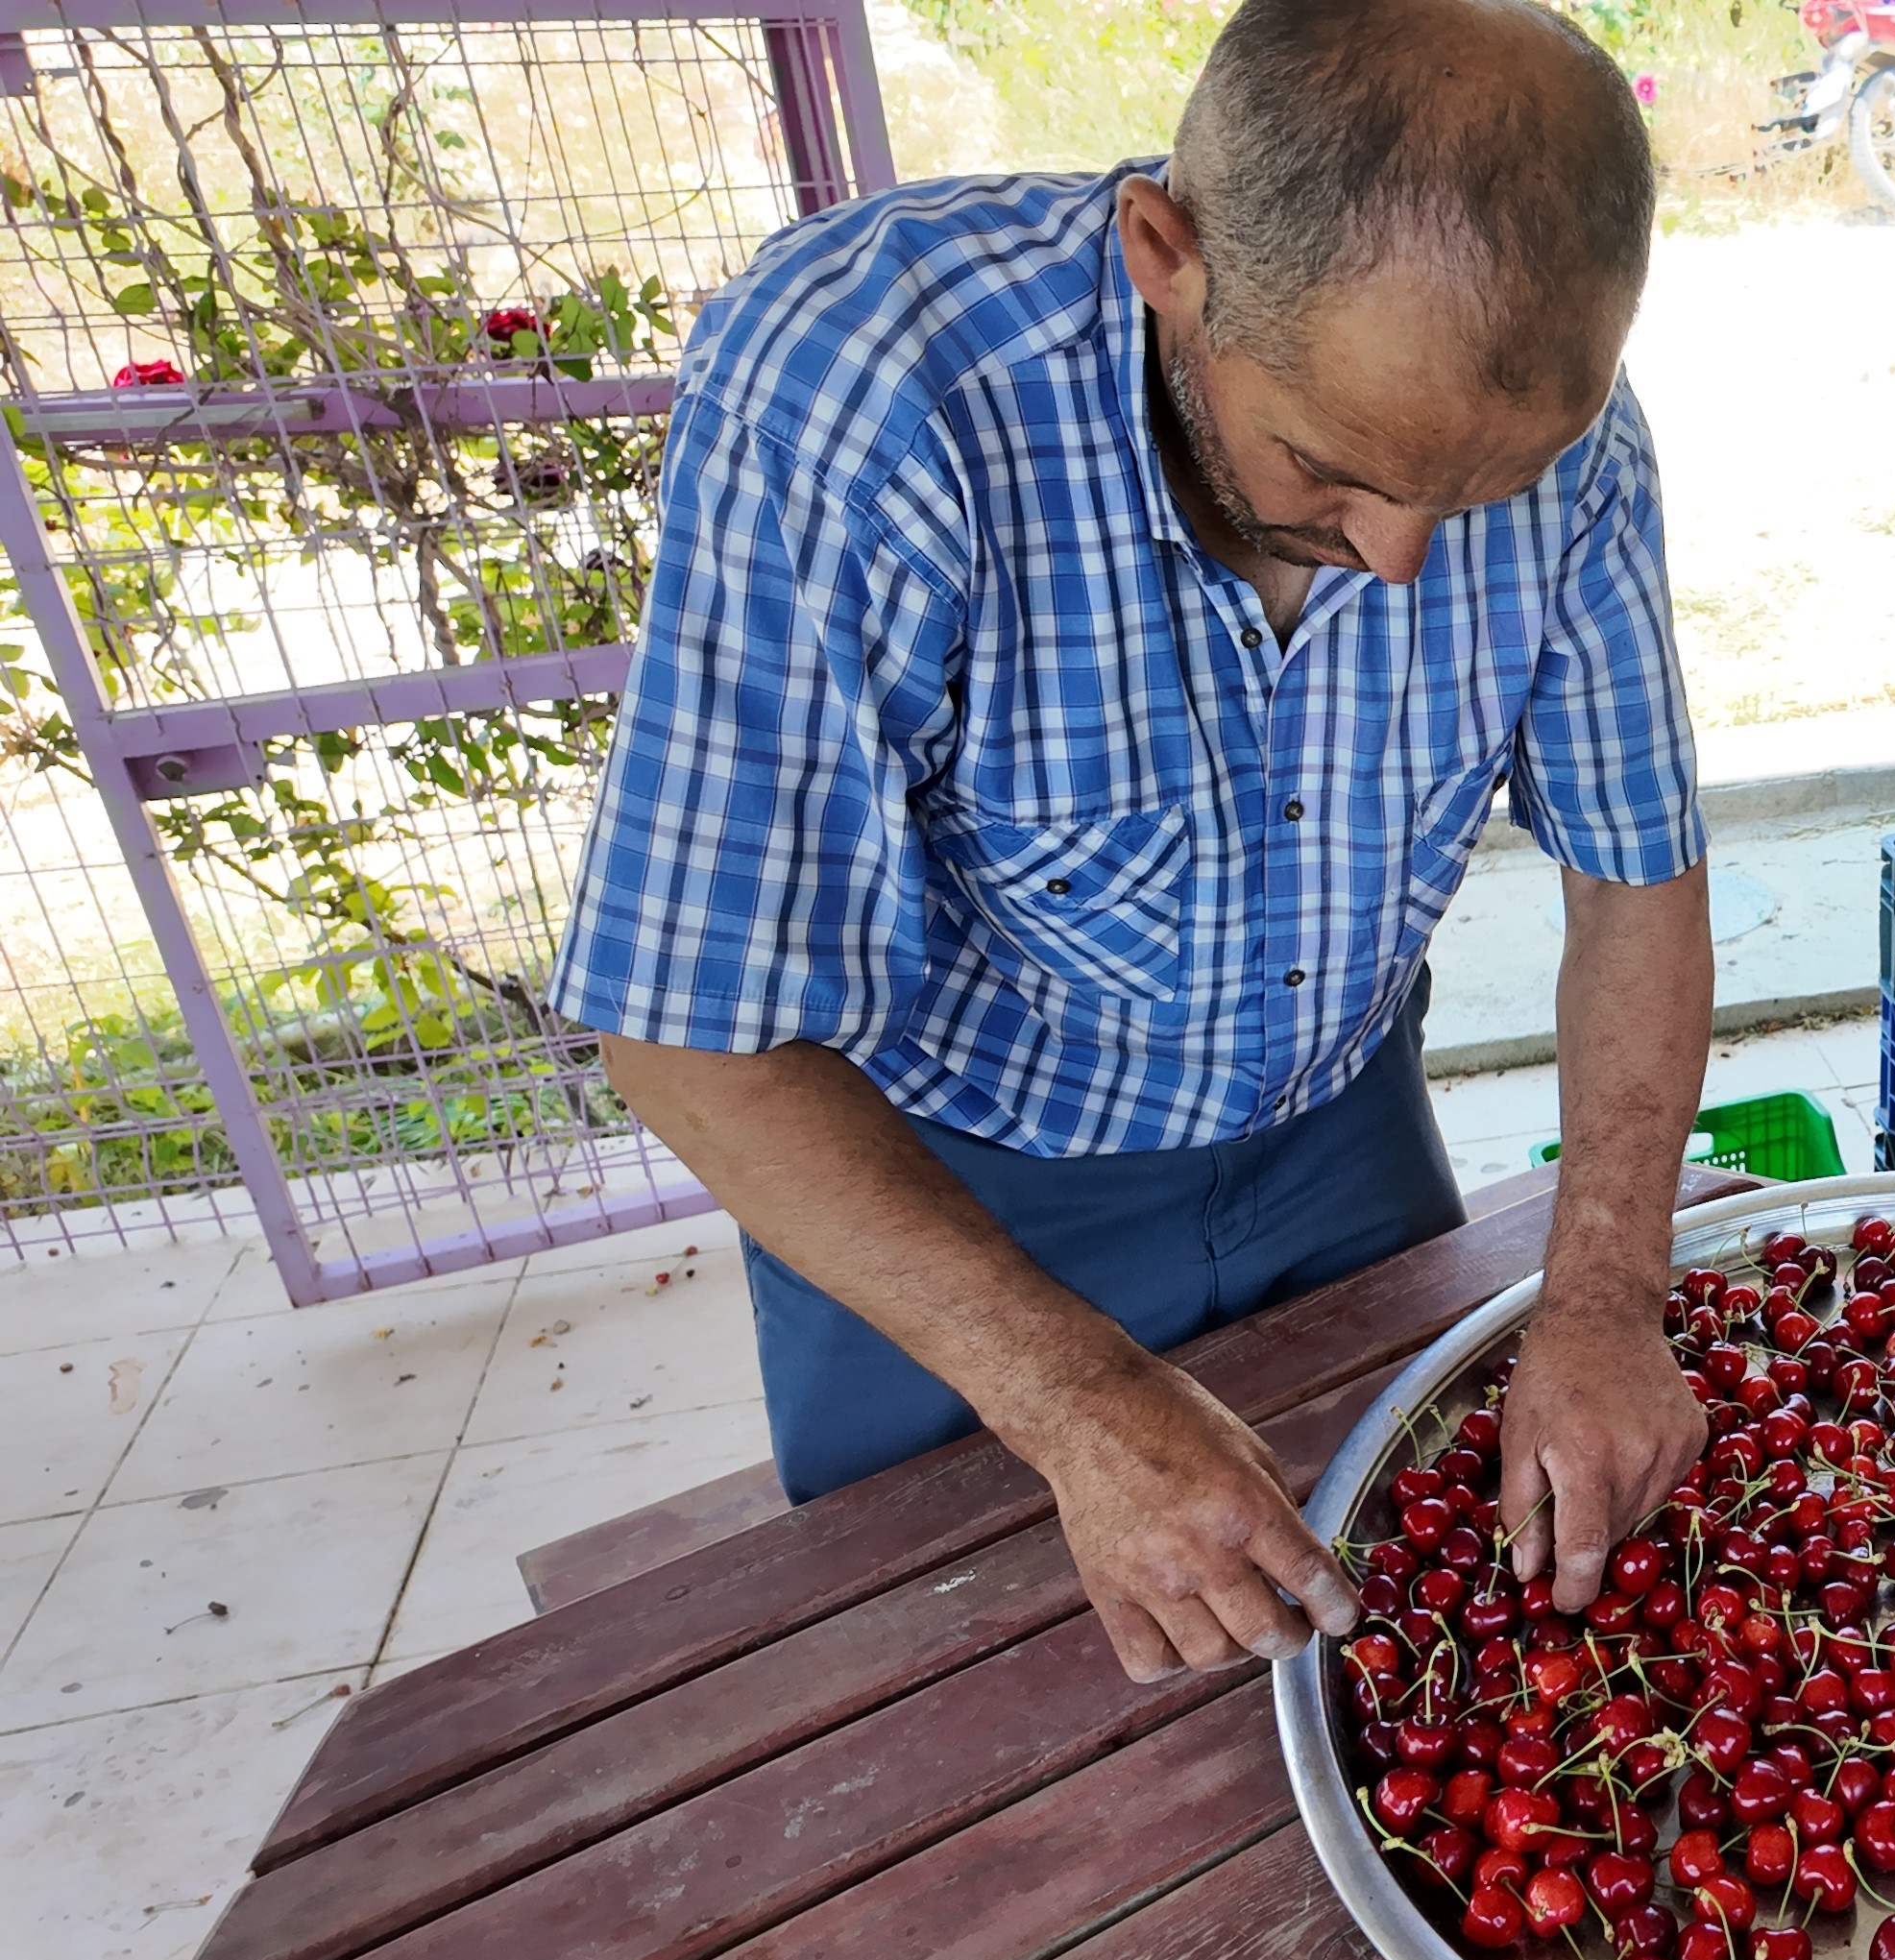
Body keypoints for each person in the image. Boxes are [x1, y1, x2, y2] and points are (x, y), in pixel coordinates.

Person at [552, 0, 1716, 1685]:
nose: (1398, 558)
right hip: (946, 1178)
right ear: (1165, 251)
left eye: (1463, 502)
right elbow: (687, 1031)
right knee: (961, 1710)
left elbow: (1636, 876)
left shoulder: (1567, 439)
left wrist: (1605, 1290)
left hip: (1337, 1119)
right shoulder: (871, 385)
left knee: (1386, 1647)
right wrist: (1075, 1402)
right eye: (1328, 468)